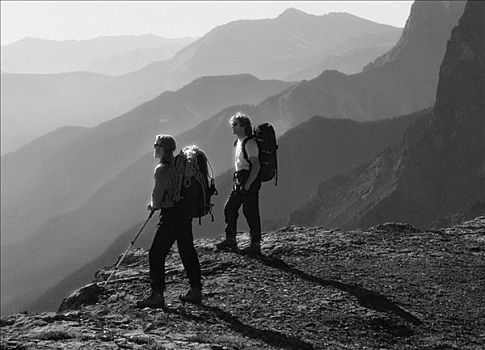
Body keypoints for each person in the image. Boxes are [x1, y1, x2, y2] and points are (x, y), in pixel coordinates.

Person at [136, 135, 202, 309]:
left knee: (156, 254)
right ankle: (196, 290)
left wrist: (152, 206)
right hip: (184, 214)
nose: (154, 148)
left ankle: (157, 295)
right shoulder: (180, 166)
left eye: (156, 145)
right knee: (187, 250)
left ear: (162, 148)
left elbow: (157, 199)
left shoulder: (162, 169)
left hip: (170, 215)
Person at [216, 112, 262, 255]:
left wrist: (248, 183)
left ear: (243, 126)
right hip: (240, 180)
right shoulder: (239, 142)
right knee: (230, 207)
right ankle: (231, 239)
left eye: (235, 124)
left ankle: (255, 243)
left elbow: (256, 165)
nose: (232, 126)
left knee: (250, 212)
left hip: (247, 180)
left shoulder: (250, 143)